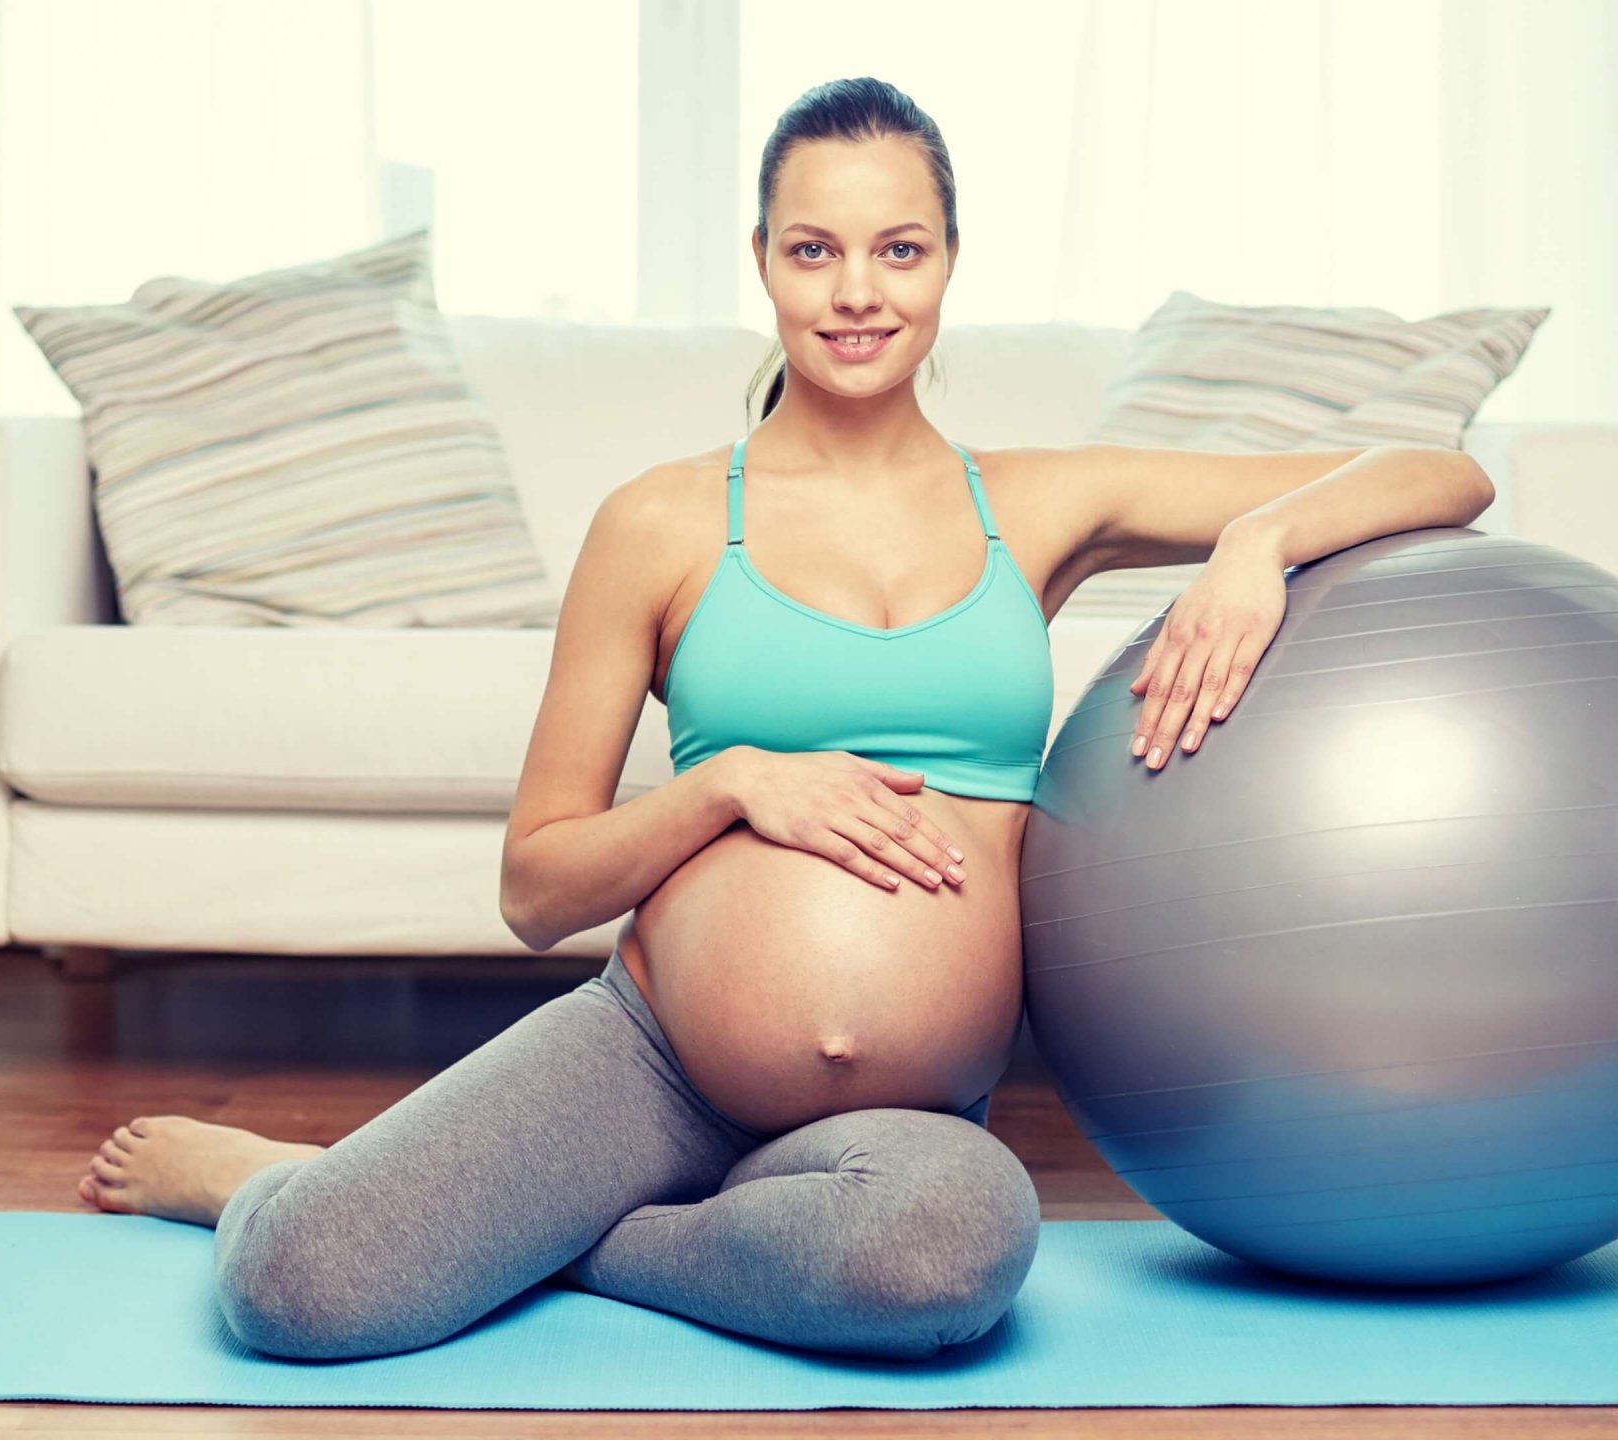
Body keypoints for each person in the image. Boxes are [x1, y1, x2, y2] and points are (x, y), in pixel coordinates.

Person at [78, 77, 1100, 1363]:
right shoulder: (660, 521)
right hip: (653, 1062)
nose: (857, 292)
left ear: (950, 260)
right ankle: (263, 1179)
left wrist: (1254, 548)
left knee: (945, 1253)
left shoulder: (1041, 505)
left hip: (902, 1122)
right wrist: (728, 783)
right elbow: (534, 887)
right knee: (298, 1285)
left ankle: (554, 1237)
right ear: (762, 261)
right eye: (813, 249)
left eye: (899, 249)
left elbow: (1430, 471)